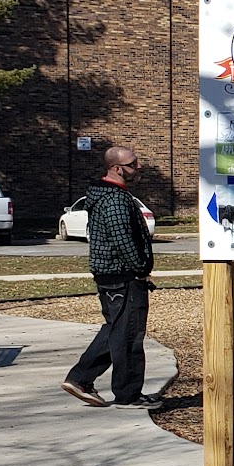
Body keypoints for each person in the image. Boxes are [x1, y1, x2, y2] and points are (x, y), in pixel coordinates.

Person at [61, 145, 156, 408]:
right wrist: (139, 268)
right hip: (121, 277)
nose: (139, 168)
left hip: (112, 276)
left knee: (117, 329)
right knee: (129, 336)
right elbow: (122, 239)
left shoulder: (109, 195)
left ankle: (80, 379)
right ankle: (127, 394)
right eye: (133, 164)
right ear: (116, 168)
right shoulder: (114, 199)